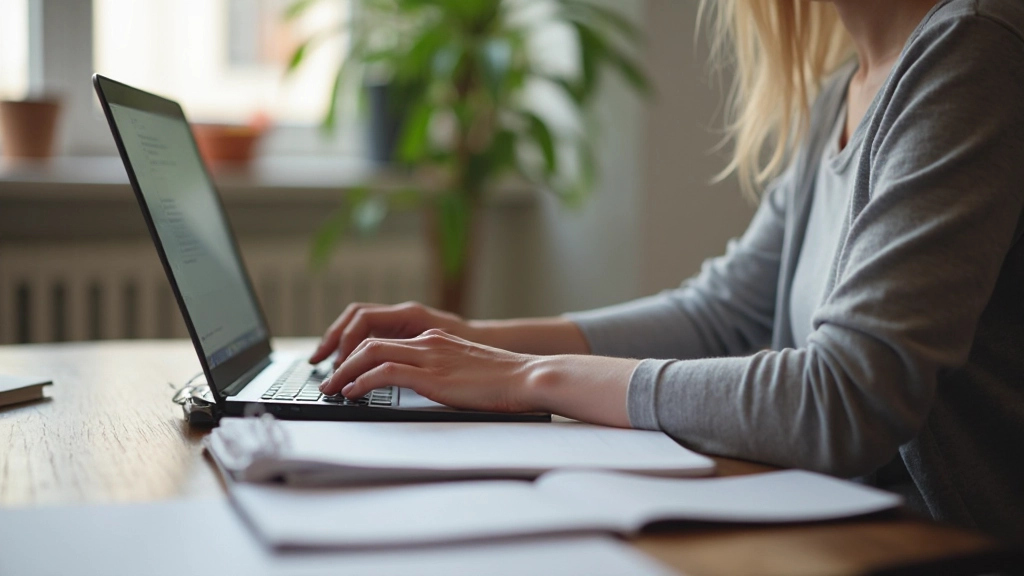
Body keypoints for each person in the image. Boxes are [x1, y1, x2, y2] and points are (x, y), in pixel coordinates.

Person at [314, 0, 1024, 544]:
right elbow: (724, 314)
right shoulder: (849, 89)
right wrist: (481, 340)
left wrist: (521, 377)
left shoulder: (972, 52)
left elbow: (841, 399)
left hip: (951, 545)